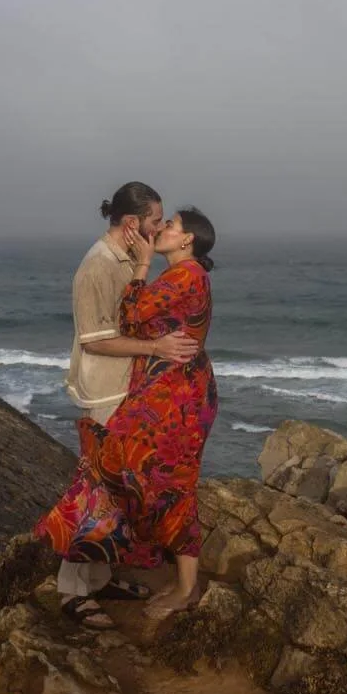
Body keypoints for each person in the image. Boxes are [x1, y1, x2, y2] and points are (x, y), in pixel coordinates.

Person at [38, 205, 219, 623]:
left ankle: (185, 587)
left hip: (176, 400)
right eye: (160, 221)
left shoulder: (184, 274)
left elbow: (131, 315)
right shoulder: (170, 273)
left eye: (169, 225)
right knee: (130, 478)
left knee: (166, 485)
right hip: (164, 395)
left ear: (187, 239)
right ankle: (101, 575)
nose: (162, 230)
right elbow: (134, 327)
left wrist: (140, 265)